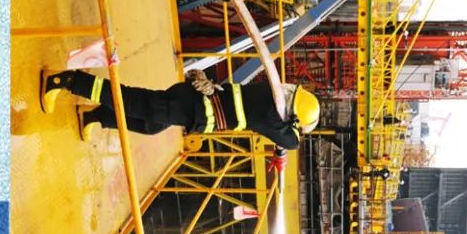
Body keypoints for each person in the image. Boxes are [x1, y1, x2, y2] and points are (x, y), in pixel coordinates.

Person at [40, 51, 318, 157]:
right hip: (191, 106)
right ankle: (67, 81)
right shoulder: (271, 114)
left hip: (193, 109)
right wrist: (294, 135)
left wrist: (288, 135)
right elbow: (291, 142)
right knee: (129, 101)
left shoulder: (270, 97)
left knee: (150, 126)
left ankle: (95, 116)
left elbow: (284, 135)